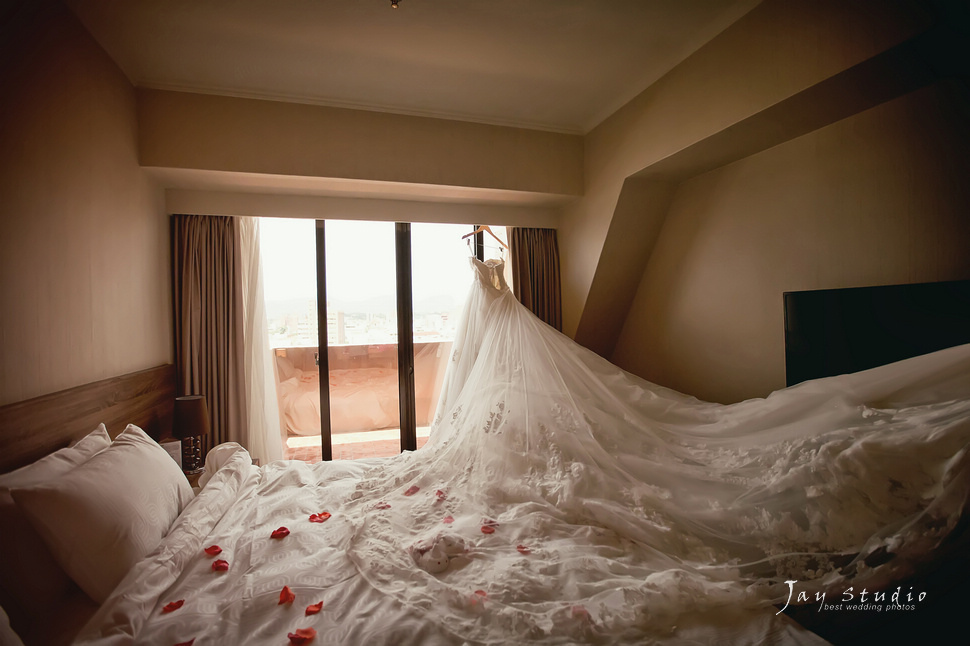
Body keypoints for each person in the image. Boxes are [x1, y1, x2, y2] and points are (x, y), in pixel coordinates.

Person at [345, 255, 970, 643]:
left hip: (514, 371)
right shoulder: (496, 300)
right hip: (508, 375)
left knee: (696, 454)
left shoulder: (496, 292)